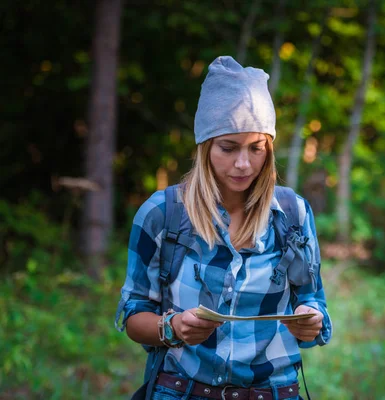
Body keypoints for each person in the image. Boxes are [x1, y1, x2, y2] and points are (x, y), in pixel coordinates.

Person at [115, 56, 332, 400]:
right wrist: (172, 328)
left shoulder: (293, 213)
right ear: (205, 147)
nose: (243, 164)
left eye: (256, 148)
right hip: (181, 391)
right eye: (228, 148)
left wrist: (310, 319)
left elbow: (312, 301)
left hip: (275, 392)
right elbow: (133, 315)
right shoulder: (163, 213)